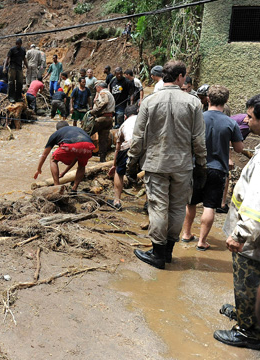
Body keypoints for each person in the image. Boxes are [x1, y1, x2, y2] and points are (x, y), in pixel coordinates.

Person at [127, 60, 207, 269]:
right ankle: (168, 252)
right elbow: (198, 139)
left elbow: (138, 138)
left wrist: (131, 164)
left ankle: (158, 254)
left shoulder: (149, 102)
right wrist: (201, 165)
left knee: (158, 208)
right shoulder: (193, 103)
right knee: (178, 208)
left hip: (156, 164)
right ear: (180, 77)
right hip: (183, 165)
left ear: (164, 77)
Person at [213, 97, 260, 350]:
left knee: (247, 280)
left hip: (252, 239)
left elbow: (257, 203)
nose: (246, 120)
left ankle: (248, 330)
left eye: (251, 116)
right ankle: (247, 314)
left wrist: (240, 234)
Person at [181, 85, 244, 250]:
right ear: (226, 101)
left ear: (207, 99)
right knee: (209, 206)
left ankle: (186, 234)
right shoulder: (230, 123)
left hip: (196, 166)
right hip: (218, 169)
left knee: (191, 203)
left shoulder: (198, 118)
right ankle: (202, 241)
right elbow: (239, 148)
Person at [34, 121, 96, 192]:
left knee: (53, 159)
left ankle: (57, 186)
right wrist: (64, 172)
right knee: (82, 166)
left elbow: (44, 154)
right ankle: (74, 189)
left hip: (70, 145)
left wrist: (38, 169)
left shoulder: (56, 133)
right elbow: (76, 157)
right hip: (88, 145)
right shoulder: (77, 129)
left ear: (57, 129)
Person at [109, 105, 138, 210]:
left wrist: (114, 165)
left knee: (119, 172)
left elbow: (118, 147)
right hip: (146, 147)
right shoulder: (143, 120)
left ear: (125, 116)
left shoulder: (123, 125)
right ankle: (148, 203)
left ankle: (116, 201)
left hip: (128, 145)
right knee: (149, 173)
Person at [87, 81, 115, 162]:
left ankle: (80, 153)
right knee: (103, 140)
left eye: (96, 88)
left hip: (102, 118)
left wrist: (94, 111)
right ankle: (102, 159)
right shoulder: (109, 93)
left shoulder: (103, 93)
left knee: (86, 132)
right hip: (109, 118)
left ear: (99, 87)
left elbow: (104, 102)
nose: (96, 90)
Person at [5, 38, 27, 103]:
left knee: (20, 83)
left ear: (21, 44)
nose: (18, 45)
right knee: (11, 83)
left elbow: (24, 59)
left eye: (19, 44)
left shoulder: (23, 50)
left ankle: (18, 97)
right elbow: (7, 58)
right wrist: (4, 67)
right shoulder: (12, 50)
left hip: (19, 68)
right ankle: (11, 97)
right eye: (17, 44)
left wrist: (27, 67)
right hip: (12, 67)